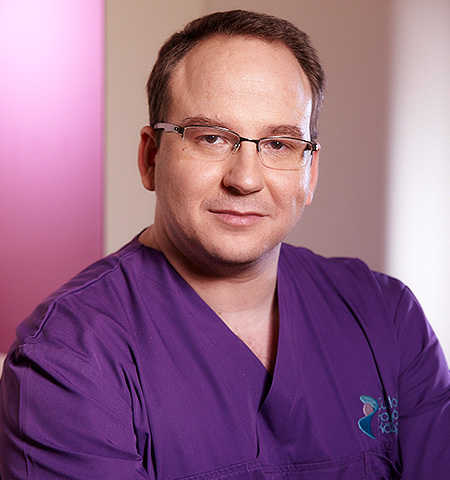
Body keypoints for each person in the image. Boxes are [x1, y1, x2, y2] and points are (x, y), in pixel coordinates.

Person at [0, 9, 448, 480]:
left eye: (279, 144)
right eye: (211, 138)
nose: (246, 179)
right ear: (151, 157)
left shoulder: (386, 317)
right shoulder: (68, 358)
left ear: (310, 173)